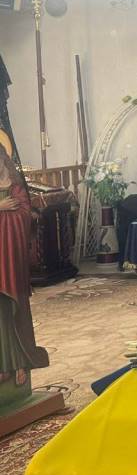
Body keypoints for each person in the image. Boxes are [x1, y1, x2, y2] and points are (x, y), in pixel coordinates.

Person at [0, 146, 48, 385]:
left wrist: (12, 213)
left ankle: (21, 364)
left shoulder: (16, 186)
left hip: (11, 255)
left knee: (16, 307)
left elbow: (25, 214)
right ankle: (4, 366)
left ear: (4, 158)